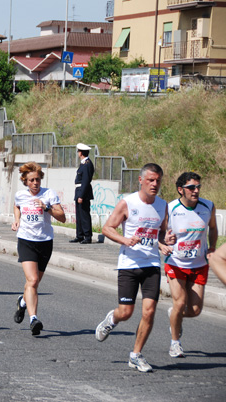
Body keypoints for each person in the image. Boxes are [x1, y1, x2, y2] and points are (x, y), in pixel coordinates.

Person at [95, 163, 171, 373]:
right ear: (141, 180)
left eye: (158, 181)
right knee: (126, 312)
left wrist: (165, 243)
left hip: (152, 265)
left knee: (149, 311)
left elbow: (162, 233)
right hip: (129, 265)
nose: (155, 184)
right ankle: (112, 319)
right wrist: (125, 240)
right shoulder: (127, 203)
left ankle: (136, 355)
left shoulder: (163, 206)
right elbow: (107, 228)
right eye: (151, 180)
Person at [163, 172, 217, 358]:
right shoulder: (170, 208)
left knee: (194, 310)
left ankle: (174, 316)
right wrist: (164, 241)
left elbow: (213, 228)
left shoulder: (208, 206)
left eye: (198, 187)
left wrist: (212, 248)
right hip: (176, 262)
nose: (196, 191)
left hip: (199, 263)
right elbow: (159, 232)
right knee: (180, 302)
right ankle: (175, 343)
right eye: (191, 188)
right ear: (181, 190)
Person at [11, 162, 66, 336]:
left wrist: (46, 207)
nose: (35, 183)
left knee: (33, 283)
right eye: (32, 180)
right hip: (26, 240)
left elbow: (63, 218)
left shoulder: (49, 194)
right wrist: (17, 220)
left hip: (45, 242)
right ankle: (33, 318)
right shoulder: (20, 195)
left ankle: (22, 301)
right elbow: (17, 205)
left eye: (37, 180)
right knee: (33, 280)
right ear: (25, 181)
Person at [70, 143, 95, 244]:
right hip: (79, 191)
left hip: (82, 192)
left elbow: (85, 181)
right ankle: (79, 235)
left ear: (81, 153)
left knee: (84, 215)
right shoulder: (83, 163)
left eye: (78, 151)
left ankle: (87, 236)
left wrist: (81, 196)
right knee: (79, 215)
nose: (78, 153)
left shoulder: (87, 164)